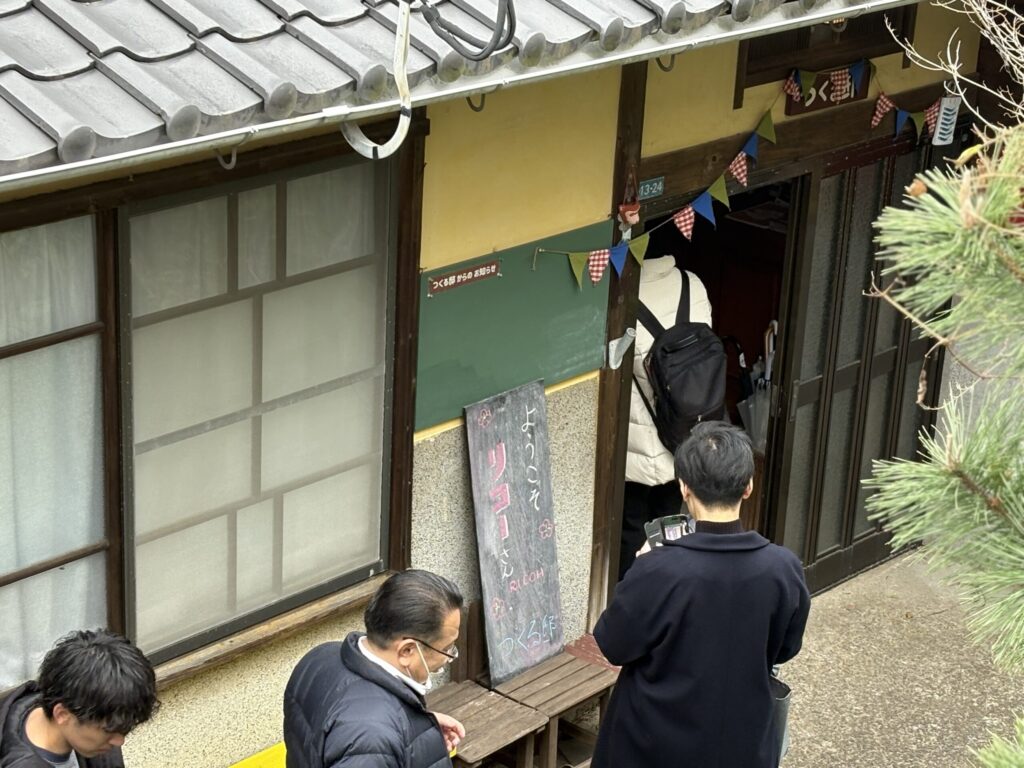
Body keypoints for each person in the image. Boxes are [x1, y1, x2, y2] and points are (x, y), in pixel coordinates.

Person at [594, 422, 810, 768]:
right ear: (748, 487)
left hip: (650, 745)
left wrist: (640, 565)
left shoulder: (657, 569)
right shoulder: (783, 568)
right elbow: (786, 648)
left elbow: (612, 644)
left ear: (684, 488)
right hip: (743, 741)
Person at [284, 569, 467, 768]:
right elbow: (366, 739)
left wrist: (417, 726)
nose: (449, 657)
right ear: (407, 651)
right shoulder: (372, 735)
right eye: (446, 648)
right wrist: (389, 731)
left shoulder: (321, 656)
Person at [621, 255, 713, 580]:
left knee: (632, 526)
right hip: (686, 434)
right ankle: (666, 589)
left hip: (640, 441)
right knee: (669, 523)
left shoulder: (624, 298)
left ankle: (631, 594)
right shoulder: (692, 283)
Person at [0, 629, 159, 768]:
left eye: (125, 729)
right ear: (62, 714)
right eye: (108, 730)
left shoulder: (98, 709)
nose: (119, 741)